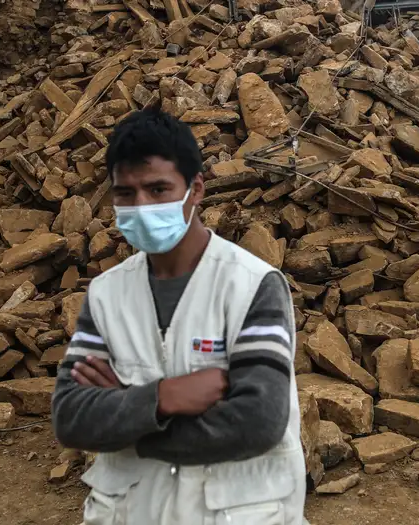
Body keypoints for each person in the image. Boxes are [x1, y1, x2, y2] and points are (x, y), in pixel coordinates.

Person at [51, 109, 307, 525]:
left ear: (196, 189)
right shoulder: (106, 294)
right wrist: (163, 397)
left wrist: (128, 415)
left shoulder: (251, 285)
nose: (141, 205)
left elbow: (257, 422)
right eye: (125, 193)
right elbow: (71, 418)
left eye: (158, 189)